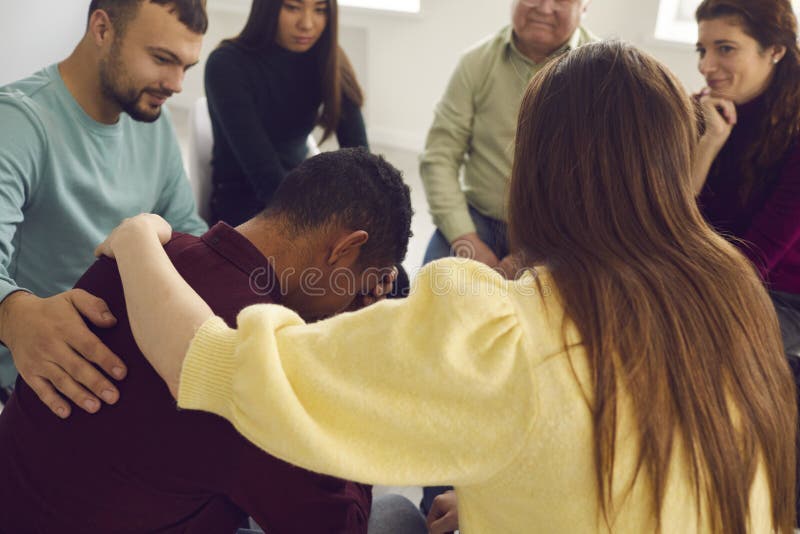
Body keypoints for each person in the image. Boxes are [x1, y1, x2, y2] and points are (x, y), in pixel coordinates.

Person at [100, 41, 798, 532]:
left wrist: (135, 237)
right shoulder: (732, 293)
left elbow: (213, 364)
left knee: (396, 514)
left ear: (535, 169)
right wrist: (523, 487)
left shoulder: (496, 332)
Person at [0, 149, 413, 533]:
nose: (353, 301)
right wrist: (360, 367)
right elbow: (339, 525)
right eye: (362, 282)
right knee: (399, 516)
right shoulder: (263, 365)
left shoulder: (142, 254)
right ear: (345, 247)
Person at [0, 0, 209, 418]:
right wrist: (14, 315)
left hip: (129, 363)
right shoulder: (19, 122)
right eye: (162, 59)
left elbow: (188, 231)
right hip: (42, 378)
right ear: (102, 29)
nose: (177, 84)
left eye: (186, 67)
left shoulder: (152, 122)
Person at [419, 0, 594, 276]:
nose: (545, 8)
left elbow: (601, 184)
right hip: (477, 219)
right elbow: (439, 157)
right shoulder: (475, 63)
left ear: (586, 5)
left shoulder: (604, 76)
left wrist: (534, 252)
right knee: (428, 299)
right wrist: (467, 240)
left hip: (562, 234)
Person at [693, 0, 800, 355]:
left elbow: (757, 259)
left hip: (779, 296)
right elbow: (668, 211)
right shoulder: (703, 110)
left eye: (725, 48)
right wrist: (708, 143)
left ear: (775, 49)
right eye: (702, 49)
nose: (706, 66)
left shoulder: (795, 132)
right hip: (701, 275)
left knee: (698, 346)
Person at [205, 0, 367, 227]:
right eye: (292, 7)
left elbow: (362, 159)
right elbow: (265, 177)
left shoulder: (328, 57)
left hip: (298, 194)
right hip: (244, 207)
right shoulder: (226, 64)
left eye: (320, 10)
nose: (307, 24)